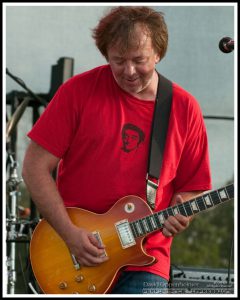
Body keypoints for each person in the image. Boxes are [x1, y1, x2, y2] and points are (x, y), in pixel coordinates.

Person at [22, 6, 212, 294]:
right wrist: (70, 234)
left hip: (146, 259)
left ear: (158, 53)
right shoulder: (77, 92)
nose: (129, 71)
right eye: (118, 60)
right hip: (73, 249)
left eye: (139, 60)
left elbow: (193, 186)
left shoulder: (184, 108)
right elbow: (34, 167)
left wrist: (182, 211)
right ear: (106, 55)